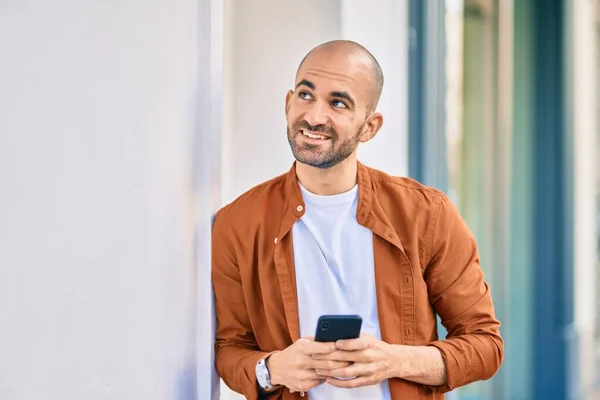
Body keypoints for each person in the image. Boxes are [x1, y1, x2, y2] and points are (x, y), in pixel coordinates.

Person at [211, 40, 503, 400]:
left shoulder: (426, 214)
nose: (315, 117)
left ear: (370, 126)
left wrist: (394, 361)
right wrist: (273, 369)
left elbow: (485, 346)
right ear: (288, 103)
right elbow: (230, 348)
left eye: (338, 103)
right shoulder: (237, 223)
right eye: (306, 94)